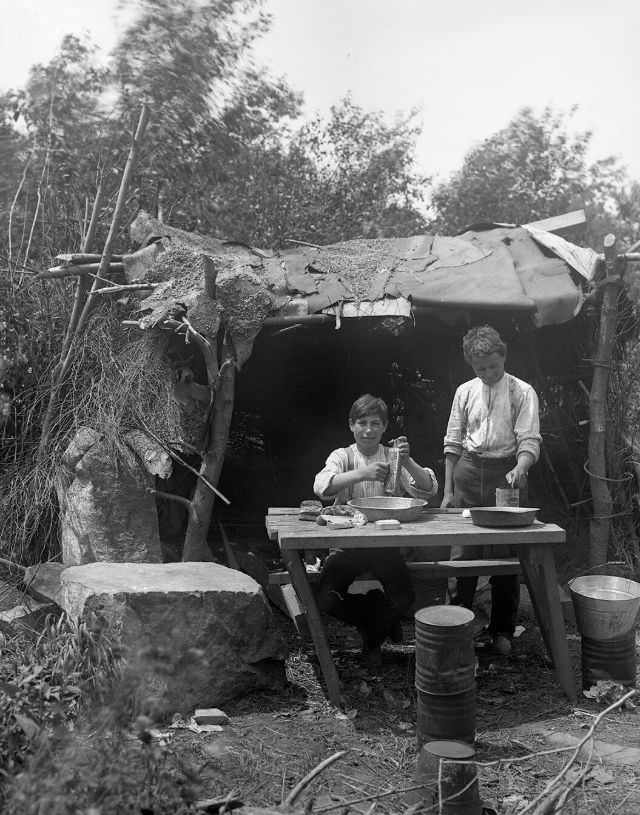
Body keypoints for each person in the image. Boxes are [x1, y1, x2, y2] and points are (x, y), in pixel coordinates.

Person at [313, 394, 438, 668]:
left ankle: (371, 641)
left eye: (375, 424)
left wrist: (407, 462)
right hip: (346, 544)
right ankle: (379, 617)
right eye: (362, 423)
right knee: (326, 599)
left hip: (384, 545)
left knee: (404, 596)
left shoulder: (392, 457)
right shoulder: (343, 456)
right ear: (351, 425)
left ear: (384, 427)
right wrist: (362, 473)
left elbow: (428, 488)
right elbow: (321, 486)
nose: (368, 430)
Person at [441, 326, 541, 656]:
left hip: (505, 476)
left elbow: (529, 440)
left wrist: (520, 467)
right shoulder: (464, 392)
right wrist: (448, 489)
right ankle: (455, 628)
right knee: (462, 557)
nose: (487, 374)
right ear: (471, 364)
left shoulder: (522, 391)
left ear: (504, 356)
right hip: (468, 473)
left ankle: (502, 631)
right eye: (480, 369)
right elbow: (453, 442)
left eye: (493, 367)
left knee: (504, 557)